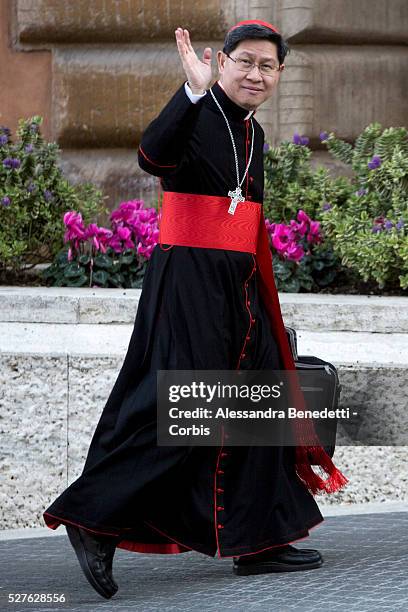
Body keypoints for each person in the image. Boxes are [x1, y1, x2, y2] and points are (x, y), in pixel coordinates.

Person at [42, 20, 348, 599]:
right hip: (189, 283)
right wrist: (190, 91)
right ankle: (93, 520)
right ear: (222, 61)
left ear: (279, 74)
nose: (256, 74)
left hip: (240, 286)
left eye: (268, 66)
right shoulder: (199, 111)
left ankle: (260, 539)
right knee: (188, 404)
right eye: (245, 62)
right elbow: (152, 156)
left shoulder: (253, 133)